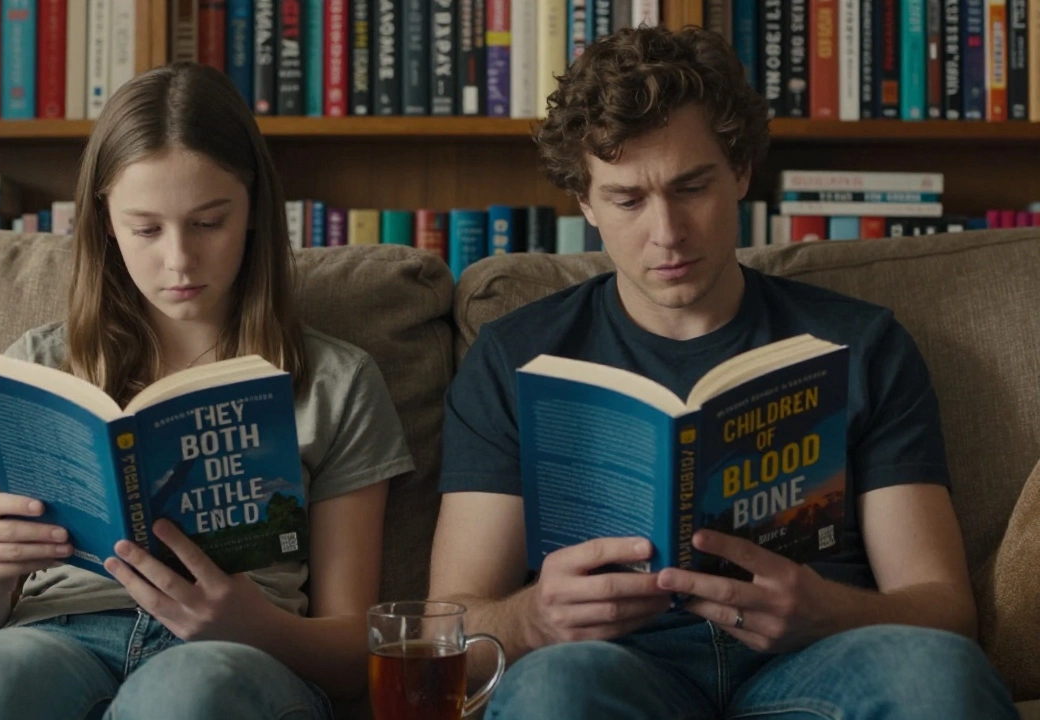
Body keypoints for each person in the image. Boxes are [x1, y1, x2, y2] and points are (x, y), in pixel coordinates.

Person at [429, 25, 1019, 720]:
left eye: (692, 186)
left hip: (814, 664)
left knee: (936, 674)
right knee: (555, 689)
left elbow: (944, 613)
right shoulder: (514, 358)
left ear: (740, 172)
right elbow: (453, 634)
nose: (668, 232)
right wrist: (533, 618)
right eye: (627, 200)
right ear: (585, 203)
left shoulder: (862, 345)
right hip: (619, 672)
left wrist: (823, 610)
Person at [0, 62, 414, 720]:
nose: (179, 260)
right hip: (57, 636)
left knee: (187, 698)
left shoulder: (336, 382)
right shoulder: (37, 365)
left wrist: (252, 624)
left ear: (256, 209)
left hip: (238, 655)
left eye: (208, 223)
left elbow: (355, 654)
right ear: (106, 223)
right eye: (146, 229)